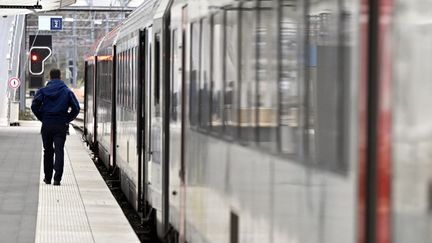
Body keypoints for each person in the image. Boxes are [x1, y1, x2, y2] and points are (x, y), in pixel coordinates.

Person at [31, 69, 80, 186]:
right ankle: (57, 179)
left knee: (47, 150)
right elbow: (76, 108)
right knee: (59, 150)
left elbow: (34, 105)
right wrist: (67, 119)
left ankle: (47, 178)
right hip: (60, 124)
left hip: (47, 124)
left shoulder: (43, 91)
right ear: (60, 76)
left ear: (50, 76)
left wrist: (42, 117)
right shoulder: (67, 91)